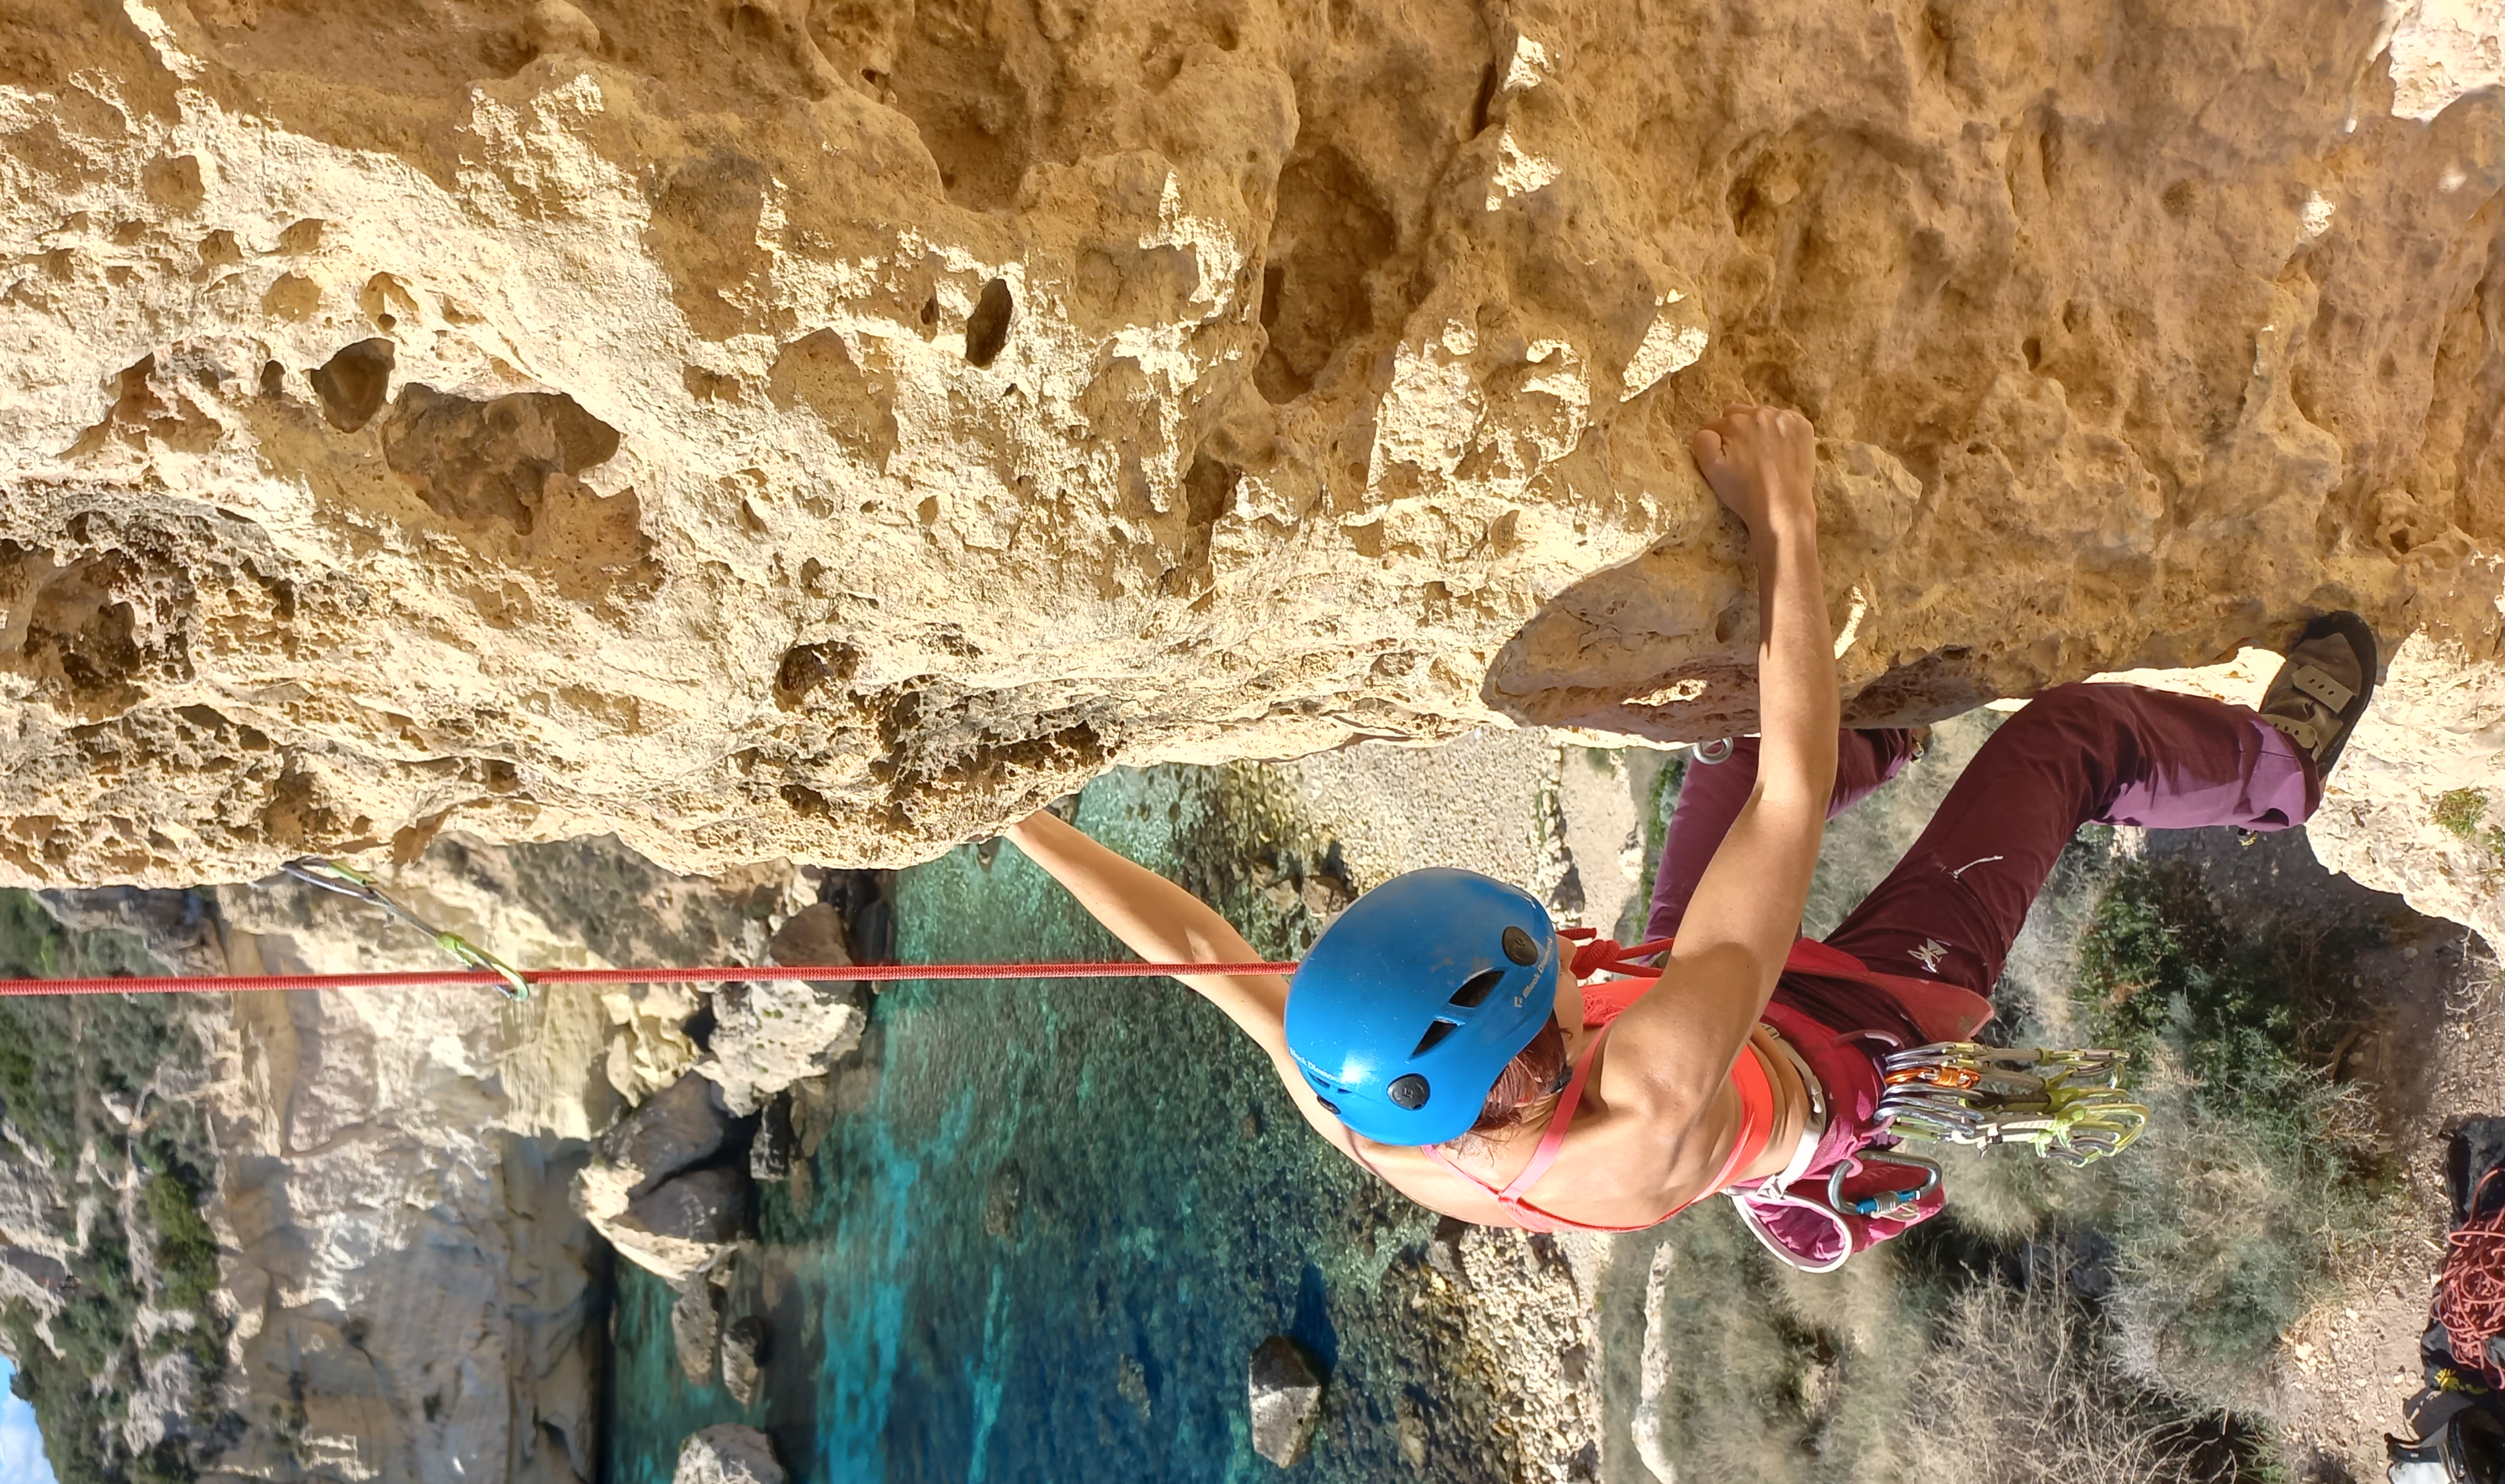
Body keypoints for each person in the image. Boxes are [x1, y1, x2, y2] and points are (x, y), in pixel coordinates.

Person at [1007, 404, 2380, 1266]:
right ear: (1488, 1089)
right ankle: (2273, 771)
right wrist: (1780, 514)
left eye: (1545, 1006)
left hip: (1701, 997)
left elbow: (1191, 950)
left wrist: (1009, 819)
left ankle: (1886, 731)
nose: (1559, 1037)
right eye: (1538, 1046)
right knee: (2065, 741)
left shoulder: (1360, 1103)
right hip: (1856, 1033)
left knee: (1740, 740)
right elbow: (1787, 798)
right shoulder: (1648, 1080)